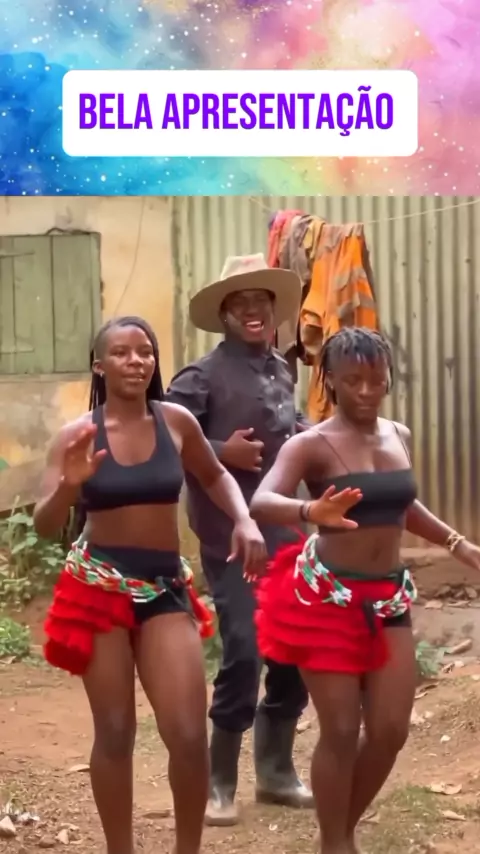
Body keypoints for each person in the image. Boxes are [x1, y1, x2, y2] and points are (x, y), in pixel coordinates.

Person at [33, 315, 267, 854]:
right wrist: (68, 487)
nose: (136, 361)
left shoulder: (176, 422)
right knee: (115, 731)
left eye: (145, 351)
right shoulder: (76, 436)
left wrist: (244, 519)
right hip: (98, 589)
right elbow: (45, 525)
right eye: (122, 352)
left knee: (187, 733)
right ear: (100, 365)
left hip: (163, 588)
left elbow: (215, 475)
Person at [249, 326, 480, 854]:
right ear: (329, 380)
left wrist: (457, 542)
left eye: (376, 380)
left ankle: (341, 830)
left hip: (387, 597)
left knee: (390, 729)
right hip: (326, 601)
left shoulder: (398, 434)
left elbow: (401, 504)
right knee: (339, 728)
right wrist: (312, 510)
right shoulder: (310, 444)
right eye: (353, 380)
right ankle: (336, 843)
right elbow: (262, 501)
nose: (366, 391)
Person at [165, 254, 314, 826]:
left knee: (294, 649)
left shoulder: (280, 368)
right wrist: (219, 450)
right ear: (224, 314)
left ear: (273, 310)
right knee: (245, 650)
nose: (252, 311)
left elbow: (287, 431)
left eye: (261, 302)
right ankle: (219, 781)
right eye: (240, 303)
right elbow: (164, 436)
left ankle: (275, 772)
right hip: (230, 538)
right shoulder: (200, 377)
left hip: (286, 532)